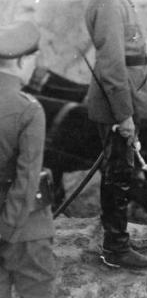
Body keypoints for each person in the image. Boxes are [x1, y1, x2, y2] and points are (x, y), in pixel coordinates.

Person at [84, 0, 147, 269]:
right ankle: (115, 248)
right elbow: (112, 65)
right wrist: (124, 116)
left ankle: (116, 237)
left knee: (119, 170)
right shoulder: (109, 0)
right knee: (118, 174)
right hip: (117, 103)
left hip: (125, 98)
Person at [0, 21, 56, 298]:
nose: (36, 66)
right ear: (21, 60)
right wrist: (8, 232)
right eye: (34, 59)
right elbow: (27, 179)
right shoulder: (29, 109)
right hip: (23, 231)